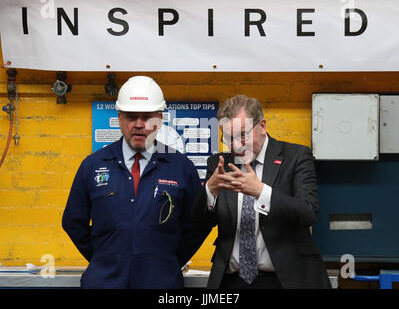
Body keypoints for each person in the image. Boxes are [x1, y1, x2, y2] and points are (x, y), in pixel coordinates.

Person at [62, 76, 209, 288]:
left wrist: (167, 261)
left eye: (147, 117)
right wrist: (104, 258)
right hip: (105, 282)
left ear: (159, 118)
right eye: (132, 117)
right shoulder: (93, 165)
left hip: (161, 283)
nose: (139, 125)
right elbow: (73, 222)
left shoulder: (181, 167)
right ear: (120, 118)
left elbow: (197, 225)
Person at [192, 95, 331, 289]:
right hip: (232, 280)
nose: (236, 145)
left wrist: (261, 192)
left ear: (262, 126)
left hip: (284, 280)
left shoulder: (296, 156)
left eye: (242, 135)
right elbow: (200, 222)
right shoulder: (219, 164)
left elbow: (308, 213)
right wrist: (210, 191)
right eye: (229, 138)